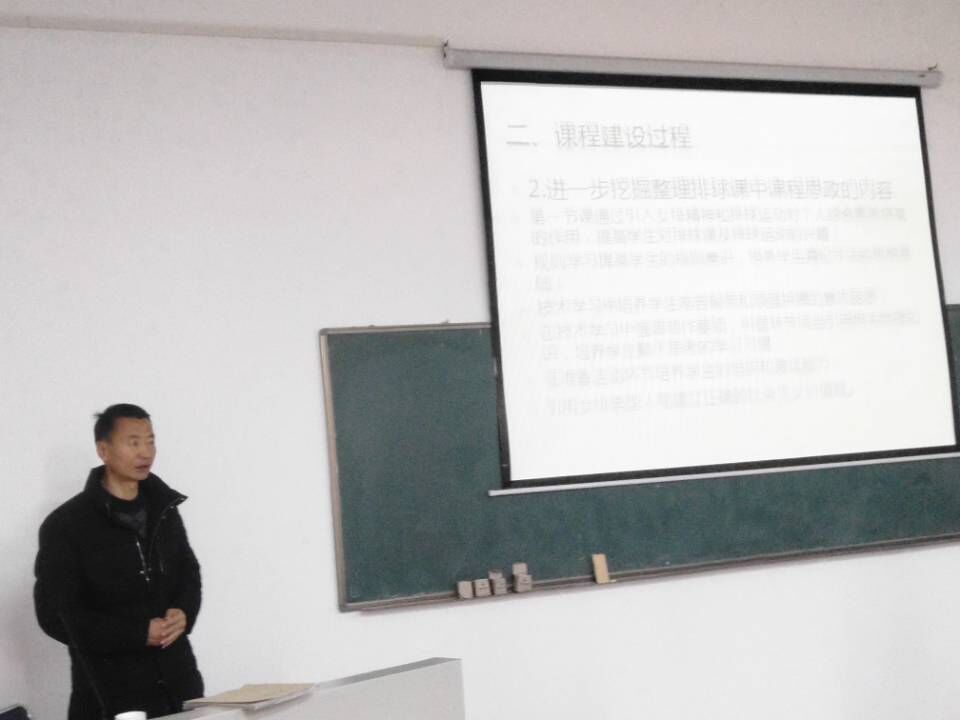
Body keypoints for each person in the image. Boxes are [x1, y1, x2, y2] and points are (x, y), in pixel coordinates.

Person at [34, 404, 204, 720]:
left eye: (150, 441)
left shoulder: (164, 510)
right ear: (103, 450)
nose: (145, 452)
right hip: (110, 694)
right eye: (133, 442)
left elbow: (188, 572)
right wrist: (137, 633)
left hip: (180, 685)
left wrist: (184, 611)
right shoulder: (67, 525)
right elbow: (56, 615)